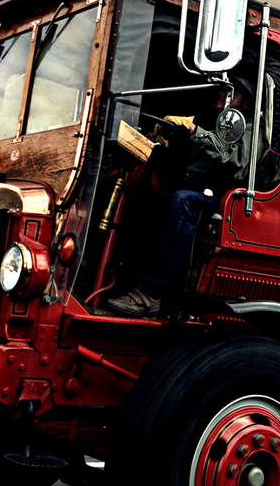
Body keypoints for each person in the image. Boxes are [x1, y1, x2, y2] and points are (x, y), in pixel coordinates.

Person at [107, 78, 256, 316]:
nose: (221, 91)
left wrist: (195, 132)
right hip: (197, 196)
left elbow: (236, 163)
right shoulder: (214, 127)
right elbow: (177, 180)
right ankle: (115, 276)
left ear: (246, 104)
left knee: (182, 200)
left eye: (231, 90)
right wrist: (155, 145)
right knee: (143, 199)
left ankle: (151, 294)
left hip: (230, 205)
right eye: (221, 87)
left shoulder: (249, 127)